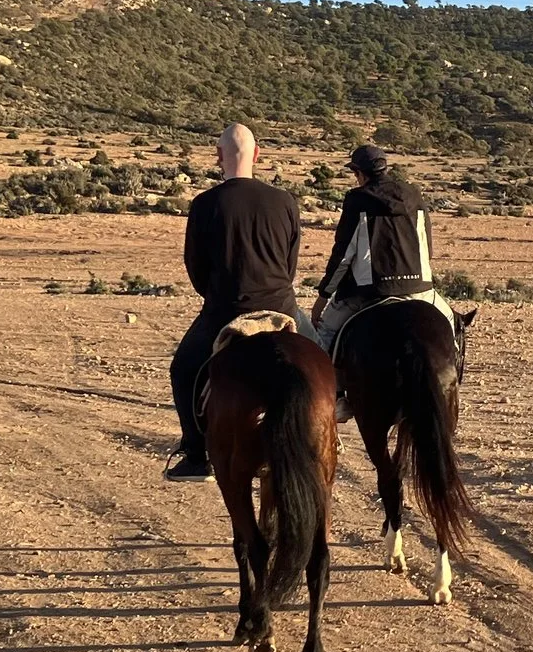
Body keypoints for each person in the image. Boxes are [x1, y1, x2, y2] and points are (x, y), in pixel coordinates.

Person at [166, 124, 304, 482]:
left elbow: (195, 266)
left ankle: (196, 454)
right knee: (324, 362)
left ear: (218, 156)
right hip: (281, 307)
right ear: (257, 155)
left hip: (226, 311)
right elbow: (290, 265)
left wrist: (214, 298)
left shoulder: (205, 204)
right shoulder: (285, 201)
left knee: (182, 371)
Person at [313, 143, 435, 355]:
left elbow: (344, 255)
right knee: (452, 326)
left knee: (323, 335)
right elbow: (427, 247)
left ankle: (327, 387)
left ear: (358, 173)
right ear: (384, 168)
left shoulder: (357, 199)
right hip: (419, 289)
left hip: (368, 292)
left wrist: (324, 296)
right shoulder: (413, 194)